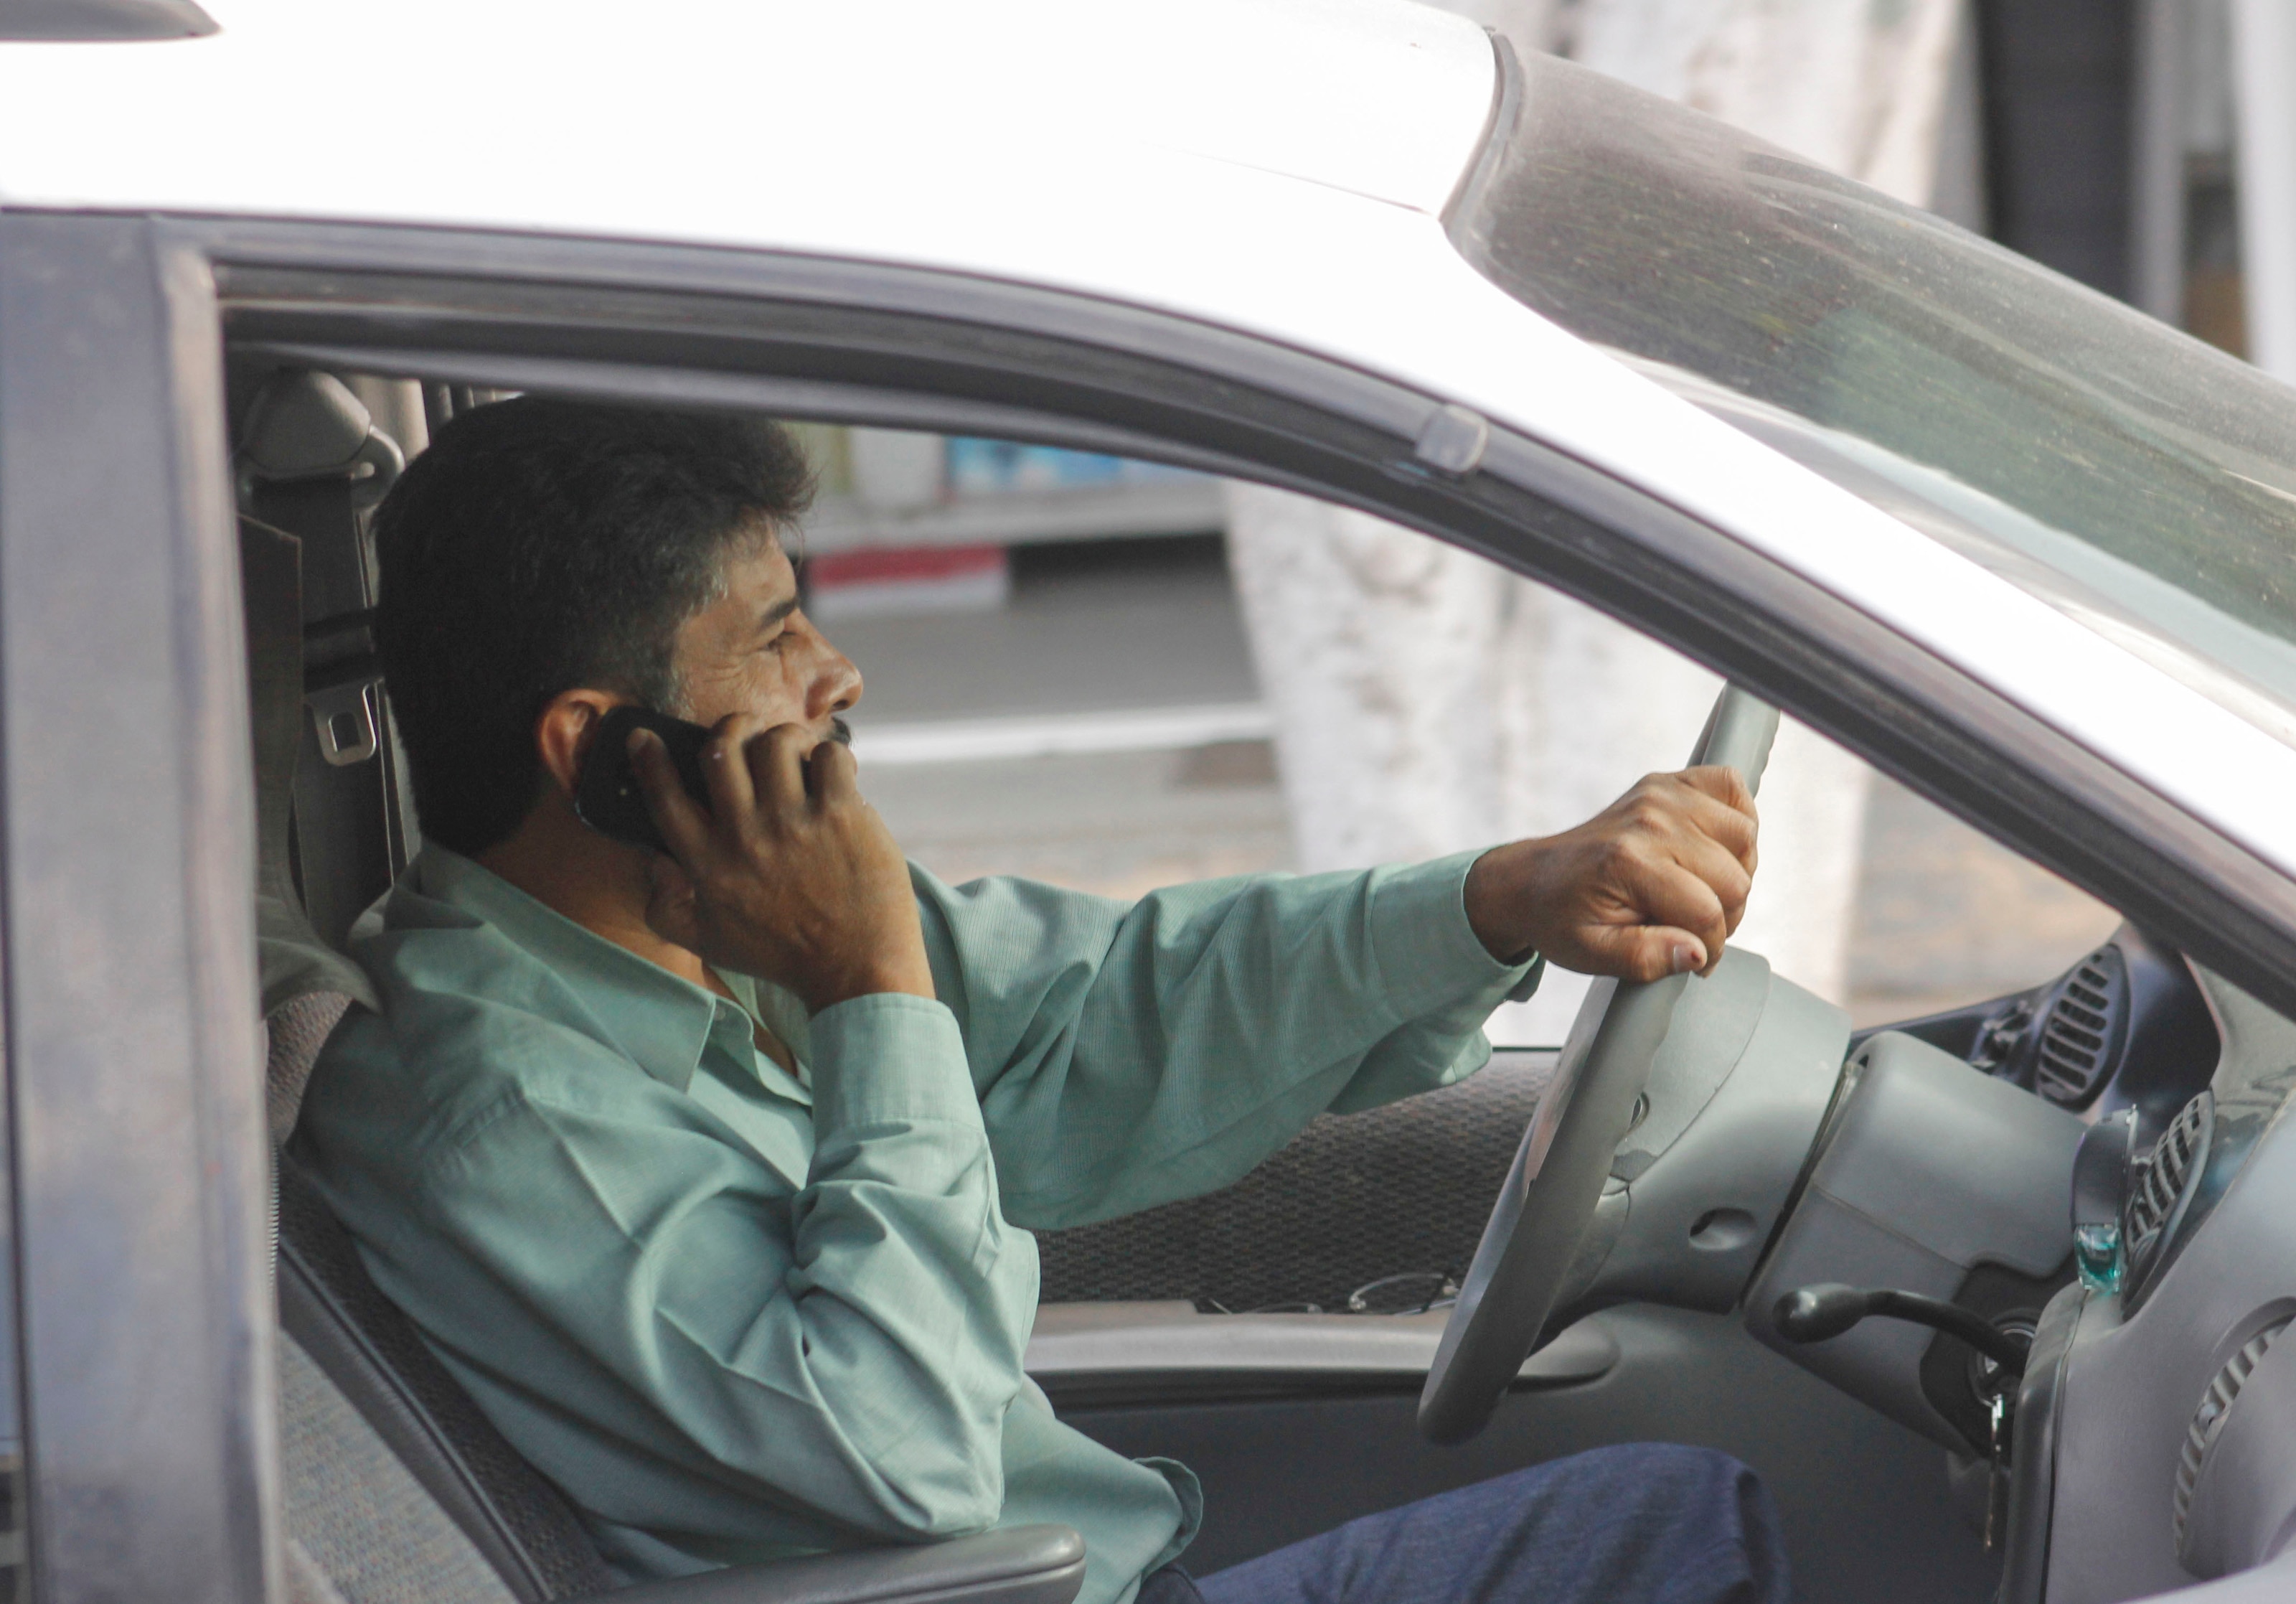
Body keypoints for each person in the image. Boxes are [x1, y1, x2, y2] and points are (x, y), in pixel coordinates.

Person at [294, 400, 1785, 1604]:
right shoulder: (496, 1113)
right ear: (601, 747)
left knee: (1672, 1502)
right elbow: (907, 1455)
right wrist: (869, 983)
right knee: (1669, 1527)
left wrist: (1493, 899)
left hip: (1105, 1561)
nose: (838, 672)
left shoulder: (708, 918)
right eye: (771, 636)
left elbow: (1105, 1009)